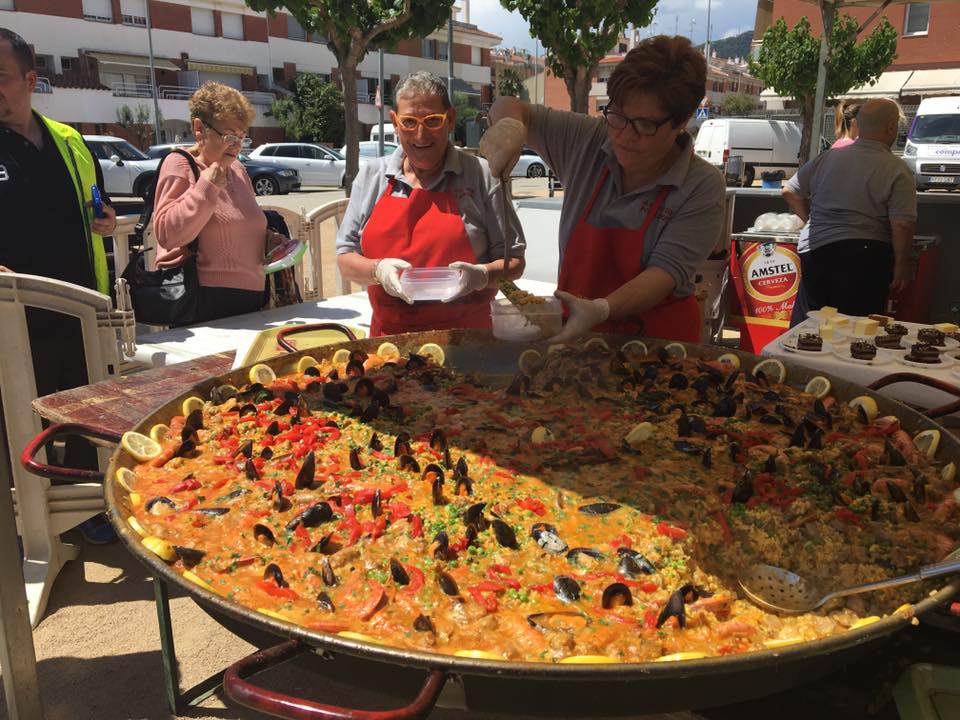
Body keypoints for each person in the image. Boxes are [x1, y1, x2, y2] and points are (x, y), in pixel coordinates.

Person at [480, 35, 725, 343]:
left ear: (682, 121)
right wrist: (510, 126)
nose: (624, 135)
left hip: (658, 348)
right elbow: (510, 106)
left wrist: (600, 310)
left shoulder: (701, 186)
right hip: (576, 341)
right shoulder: (587, 139)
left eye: (645, 125)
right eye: (618, 116)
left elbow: (663, 275)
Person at [0, 28, 118, 543]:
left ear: (30, 80)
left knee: (80, 414)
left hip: (76, 309)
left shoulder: (70, 140)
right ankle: (23, 523)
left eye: (0, 78)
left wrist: (107, 222)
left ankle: (86, 507)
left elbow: (96, 206)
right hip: (10, 320)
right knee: (14, 423)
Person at [336, 71, 525, 336]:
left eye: (433, 121)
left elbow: (515, 261)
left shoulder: (483, 176)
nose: (421, 135)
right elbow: (345, 258)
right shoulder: (372, 177)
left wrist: (481, 276)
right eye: (409, 122)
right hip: (389, 346)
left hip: (470, 342)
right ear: (395, 122)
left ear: (451, 120)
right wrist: (378, 270)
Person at [154, 82, 284, 323]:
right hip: (203, 304)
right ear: (199, 128)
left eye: (242, 137)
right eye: (229, 136)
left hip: (253, 299)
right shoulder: (179, 164)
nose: (236, 146)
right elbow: (166, 234)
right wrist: (207, 186)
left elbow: (240, 222)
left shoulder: (237, 168)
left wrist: (268, 239)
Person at [782, 98, 915, 318]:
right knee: (854, 330)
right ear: (891, 127)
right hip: (864, 256)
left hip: (815, 250)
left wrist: (812, 221)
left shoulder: (827, 157)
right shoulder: (897, 168)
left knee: (809, 324)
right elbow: (902, 224)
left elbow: (790, 191)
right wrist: (901, 265)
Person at [789, 100, 864, 326]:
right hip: (845, 243)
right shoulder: (852, 151)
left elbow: (790, 190)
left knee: (811, 316)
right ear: (857, 124)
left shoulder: (835, 149)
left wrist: (810, 218)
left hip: (816, 242)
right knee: (840, 320)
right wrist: (809, 216)